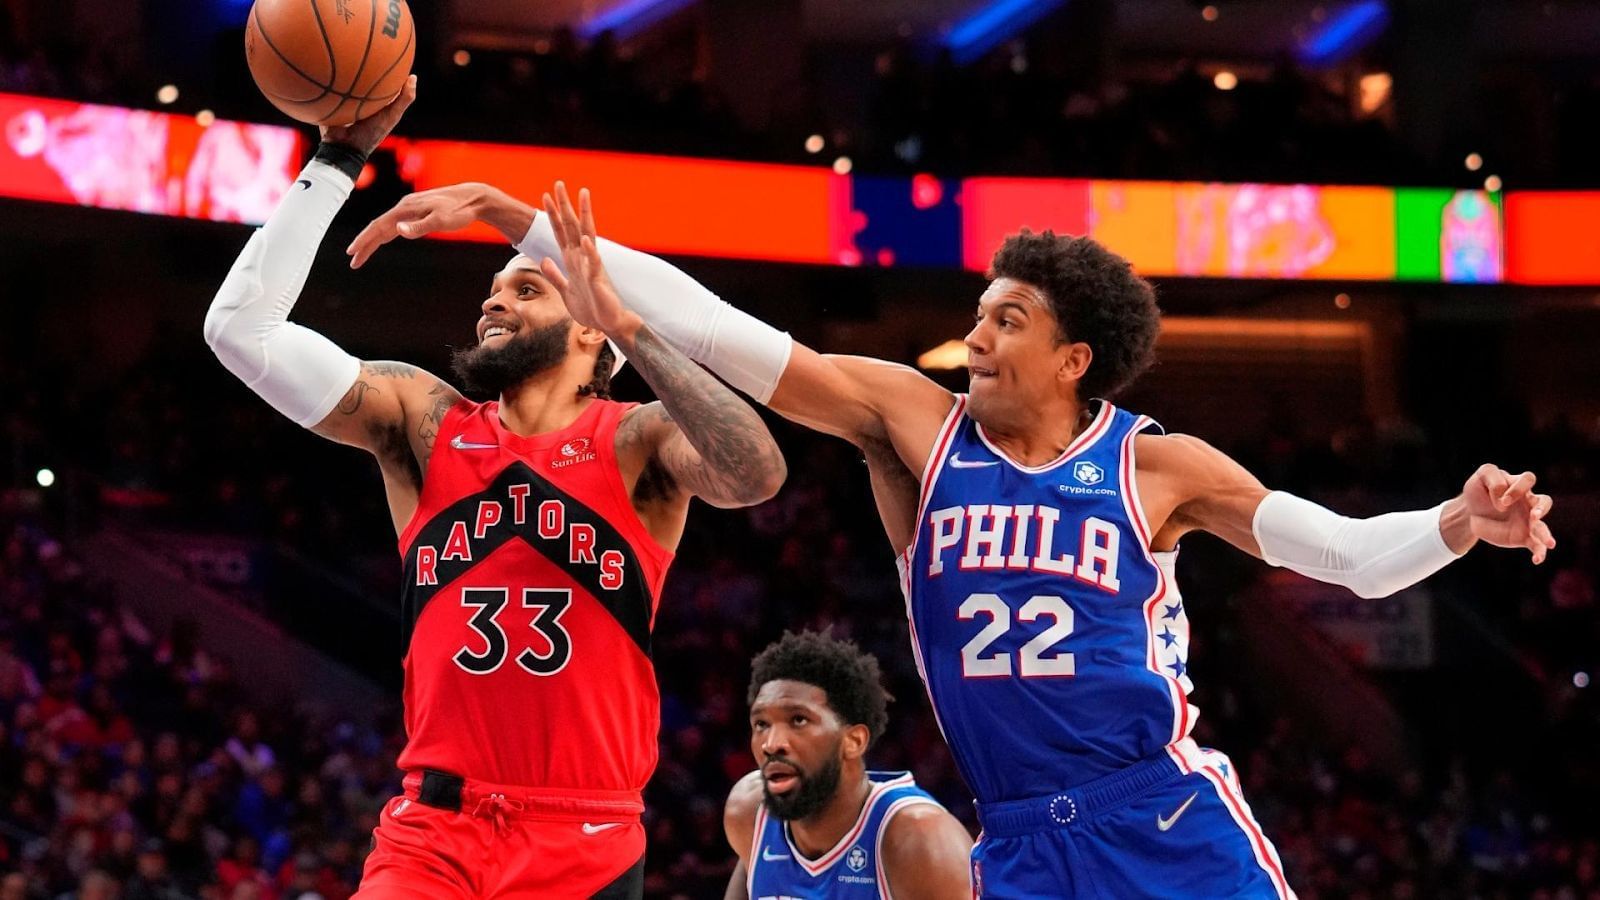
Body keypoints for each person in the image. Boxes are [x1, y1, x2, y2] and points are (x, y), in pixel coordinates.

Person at [348, 182, 1555, 898]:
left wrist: (1456, 522)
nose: (974, 336)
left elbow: (1342, 555)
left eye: (1006, 321)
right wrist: (532, 227)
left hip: (1165, 815)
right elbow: (721, 326)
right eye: (977, 313)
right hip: (1018, 829)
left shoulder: (1153, 465)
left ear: (1072, 359)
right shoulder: (915, 426)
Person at [203, 80, 786, 899]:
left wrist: (632, 324)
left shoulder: (634, 440)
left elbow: (755, 472)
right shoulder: (424, 420)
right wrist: (337, 161)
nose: (494, 302)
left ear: (589, 327)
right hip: (435, 833)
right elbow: (239, 331)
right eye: (493, 292)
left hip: (586, 834)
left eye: (525, 288)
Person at [724, 631, 972, 899]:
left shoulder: (919, 841)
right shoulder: (748, 813)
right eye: (761, 724)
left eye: (798, 720)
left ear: (854, 741)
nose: (771, 744)